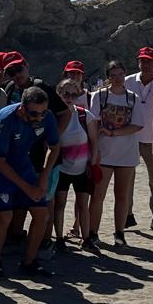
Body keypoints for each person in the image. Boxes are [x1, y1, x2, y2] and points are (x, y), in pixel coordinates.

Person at [0, 87, 60, 278]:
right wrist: (27, 188)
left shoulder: (46, 117)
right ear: (22, 109)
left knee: (42, 214)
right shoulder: (6, 119)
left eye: (43, 113)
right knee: (5, 216)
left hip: (22, 163)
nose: (39, 118)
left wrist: (43, 178)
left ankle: (29, 261)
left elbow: (54, 147)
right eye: (34, 113)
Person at [90, 62, 143, 250]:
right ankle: (92, 233)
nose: (118, 78)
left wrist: (113, 133)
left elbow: (137, 125)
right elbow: (93, 124)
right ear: (108, 77)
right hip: (103, 154)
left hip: (126, 154)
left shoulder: (133, 98)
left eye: (121, 74)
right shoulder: (99, 96)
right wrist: (94, 149)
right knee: (98, 195)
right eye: (113, 75)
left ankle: (119, 233)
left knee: (122, 195)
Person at [53, 79, 96, 249]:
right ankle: (59, 239)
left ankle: (86, 239)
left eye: (73, 94)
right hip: (61, 168)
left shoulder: (85, 115)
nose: (69, 97)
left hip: (82, 168)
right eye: (65, 94)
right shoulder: (54, 116)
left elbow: (94, 142)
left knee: (82, 205)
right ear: (59, 94)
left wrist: (92, 164)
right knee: (60, 204)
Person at [129, 47, 153, 235]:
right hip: (130, 140)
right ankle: (127, 214)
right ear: (138, 62)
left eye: (149, 61)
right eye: (142, 61)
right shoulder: (128, 81)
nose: (145, 64)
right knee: (127, 179)